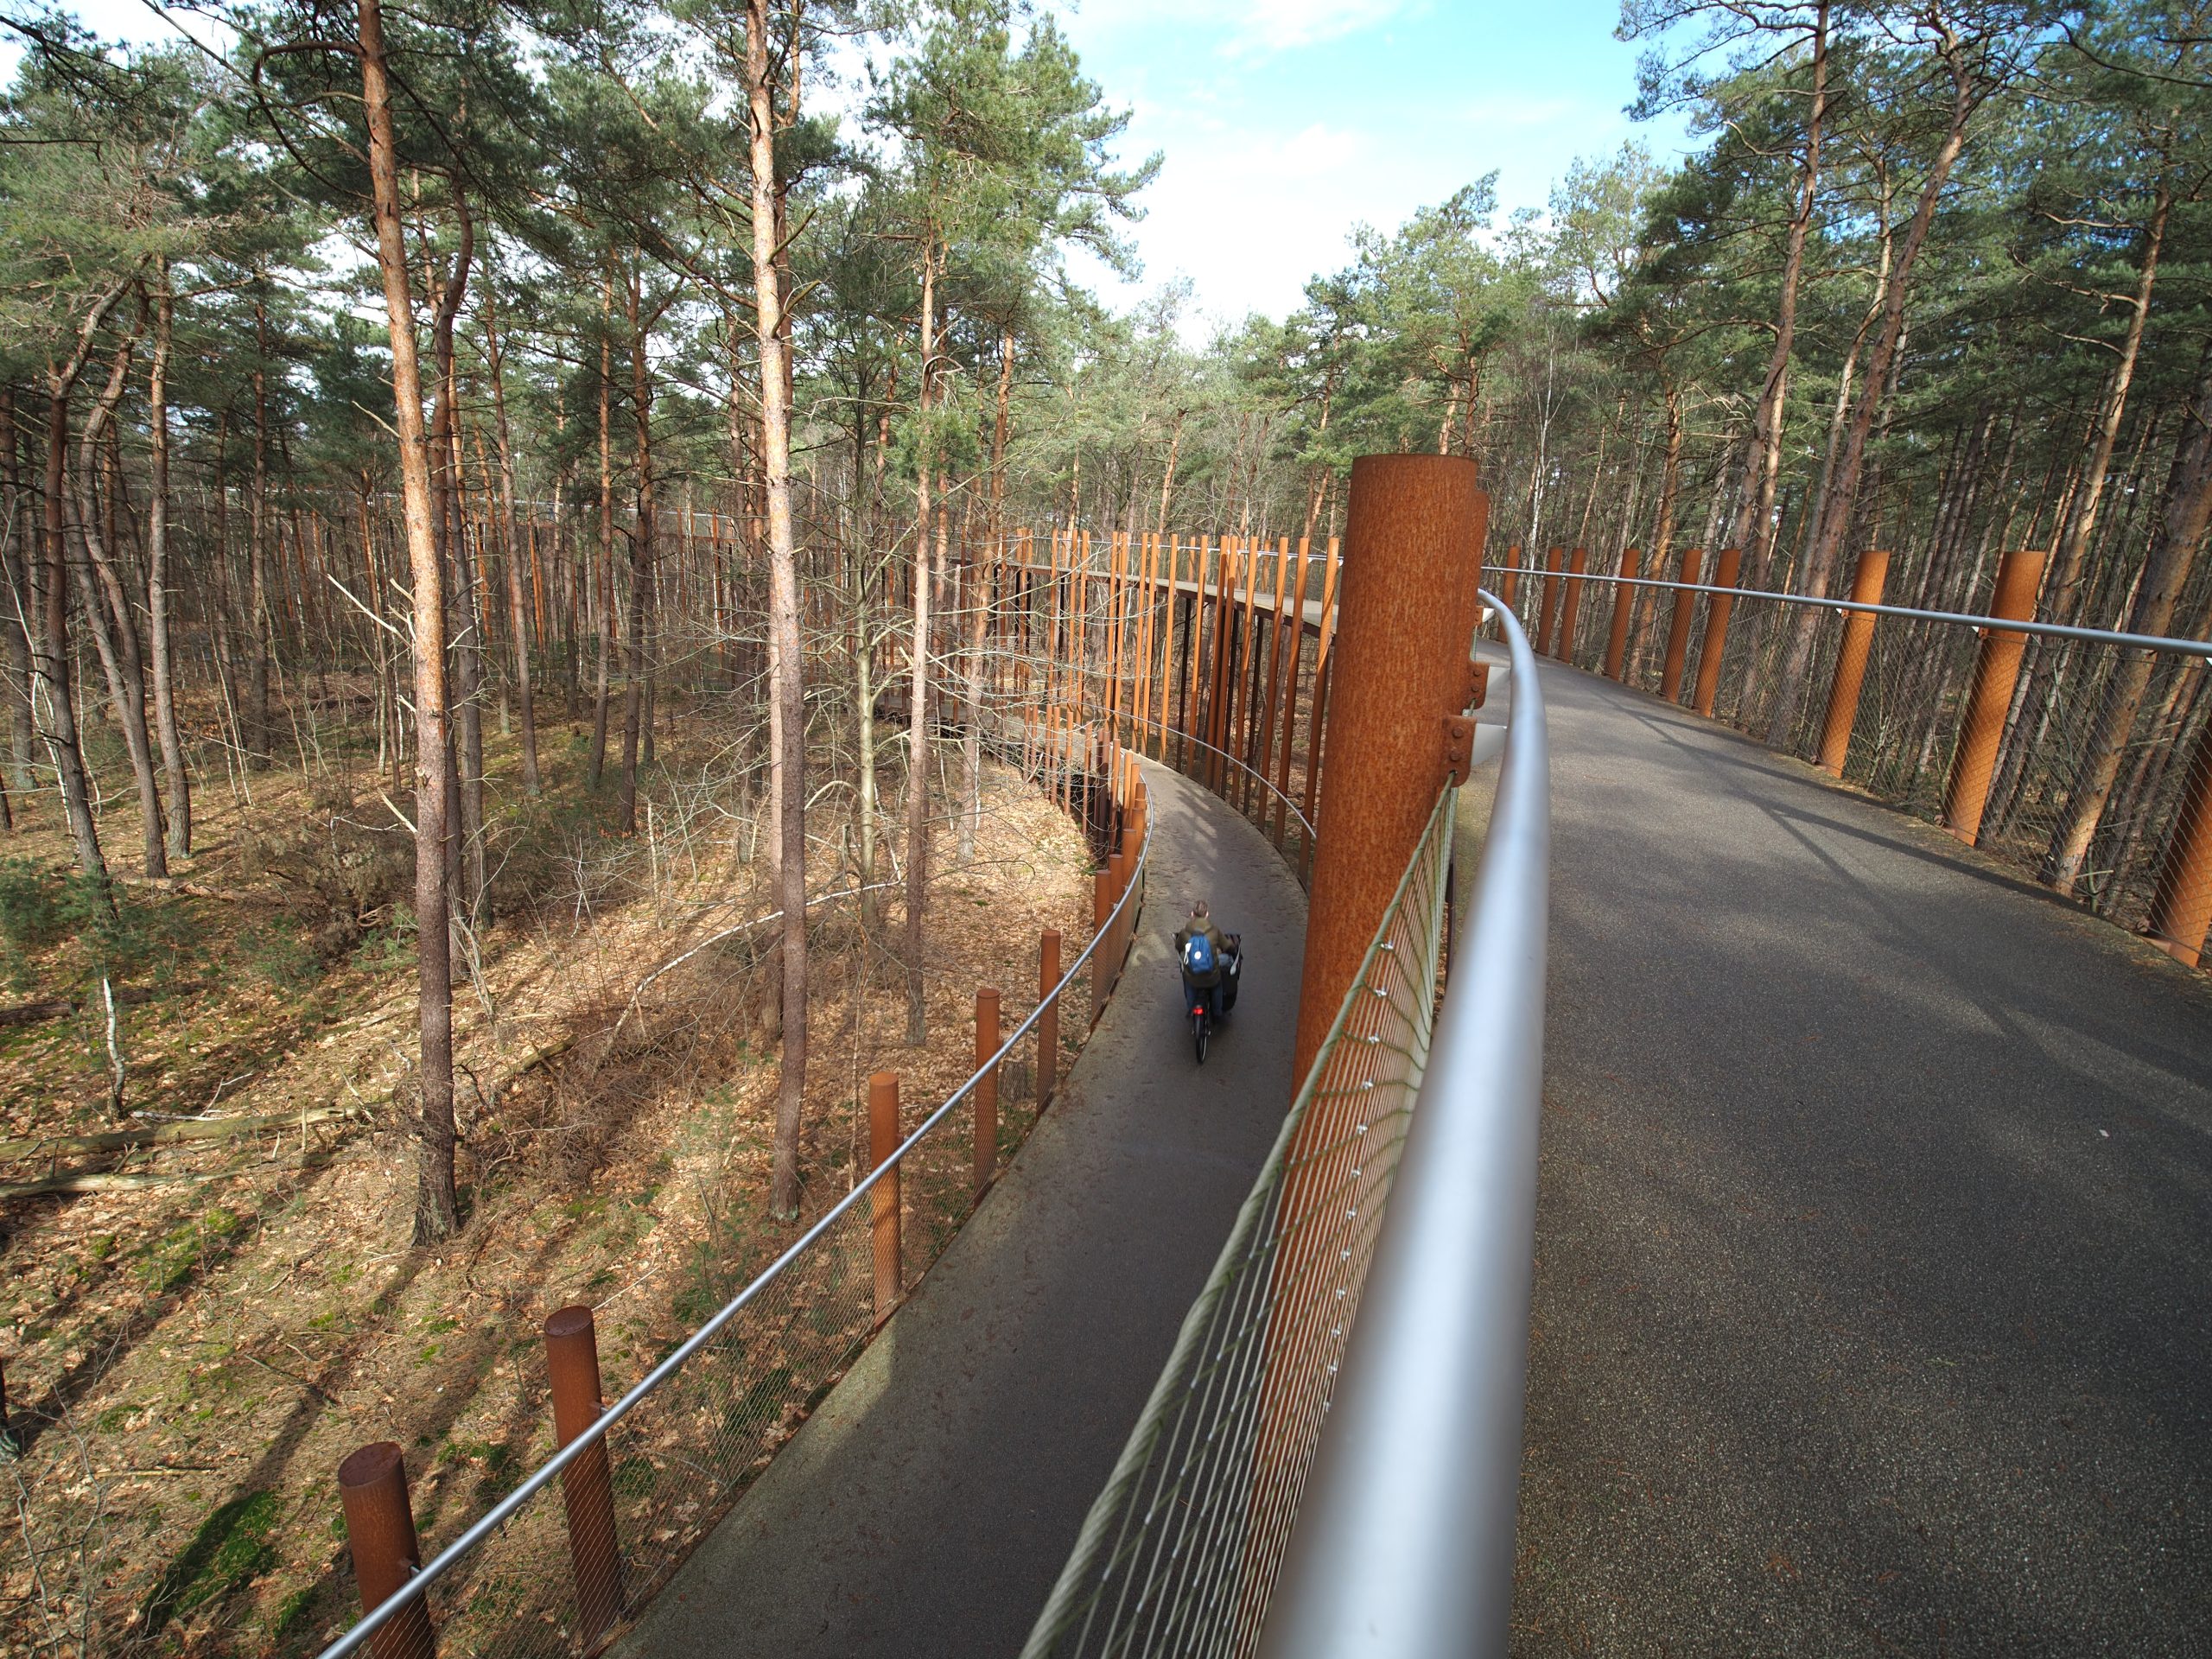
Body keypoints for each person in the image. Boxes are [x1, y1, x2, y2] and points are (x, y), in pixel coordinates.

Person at [1176, 899, 1230, 1020]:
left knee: (1187, 976)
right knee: (1217, 982)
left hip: (1193, 977)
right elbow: (1227, 946)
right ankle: (1217, 1013)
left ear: (1192, 914)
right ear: (1207, 915)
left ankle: (1191, 1008)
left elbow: (1178, 947)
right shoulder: (1214, 931)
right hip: (1211, 976)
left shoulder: (1184, 932)